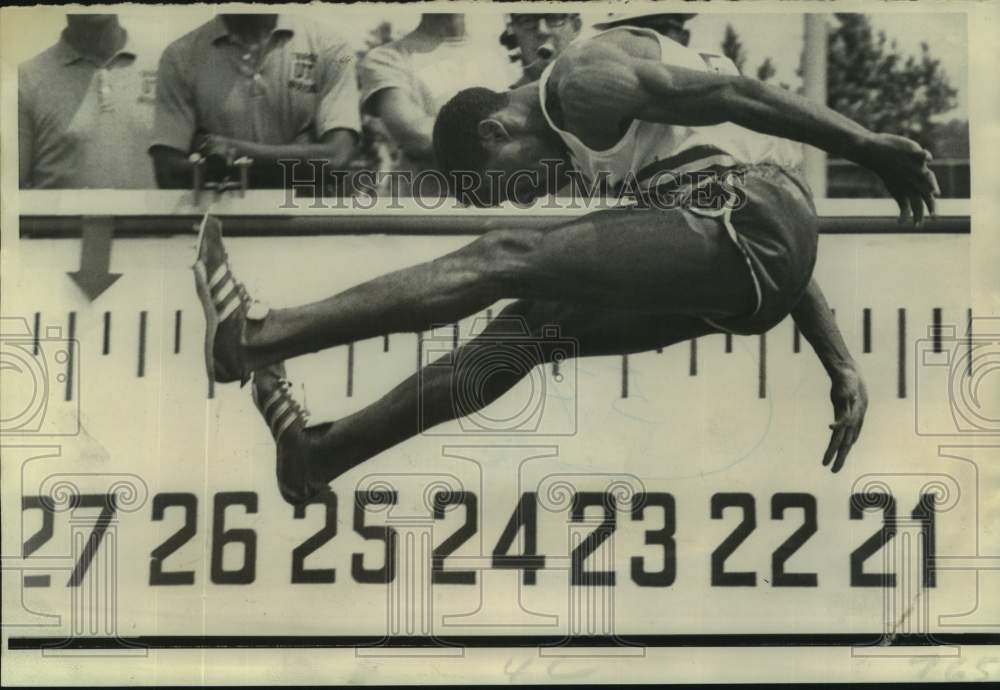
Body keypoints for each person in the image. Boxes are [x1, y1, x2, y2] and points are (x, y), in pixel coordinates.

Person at [194, 25, 938, 505]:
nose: (543, 187)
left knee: (508, 255)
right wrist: (838, 361)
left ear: (497, 128)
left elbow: (741, 99)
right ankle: (319, 456)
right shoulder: (599, 143)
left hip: (745, 220)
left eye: (511, 179)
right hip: (741, 269)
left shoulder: (584, 80)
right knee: (527, 332)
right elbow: (779, 259)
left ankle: (259, 336)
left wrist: (867, 146)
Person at [150, 13, 360, 190]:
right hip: (223, 223)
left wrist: (222, 150)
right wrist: (302, 157)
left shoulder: (330, 48)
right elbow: (169, 173)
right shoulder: (180, 56)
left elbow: (336, 158)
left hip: (303, 225)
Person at [358, 13, 515, 194]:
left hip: (502, 208)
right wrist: (507, 136)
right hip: (430, 210)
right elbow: (421, 139)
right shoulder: (387, 58)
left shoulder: (499, 55)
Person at [19, 14, 158, 189]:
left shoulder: (166, 68)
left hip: (154, 216)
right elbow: (9, 197)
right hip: (60, 216)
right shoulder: (26, 81)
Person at [502, 13, 583, 87]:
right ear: (511, 31)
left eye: (554, 17)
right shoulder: (505, 101)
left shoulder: (593, 97)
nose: (542, 30)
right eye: (528, 20)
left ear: (576, 27)